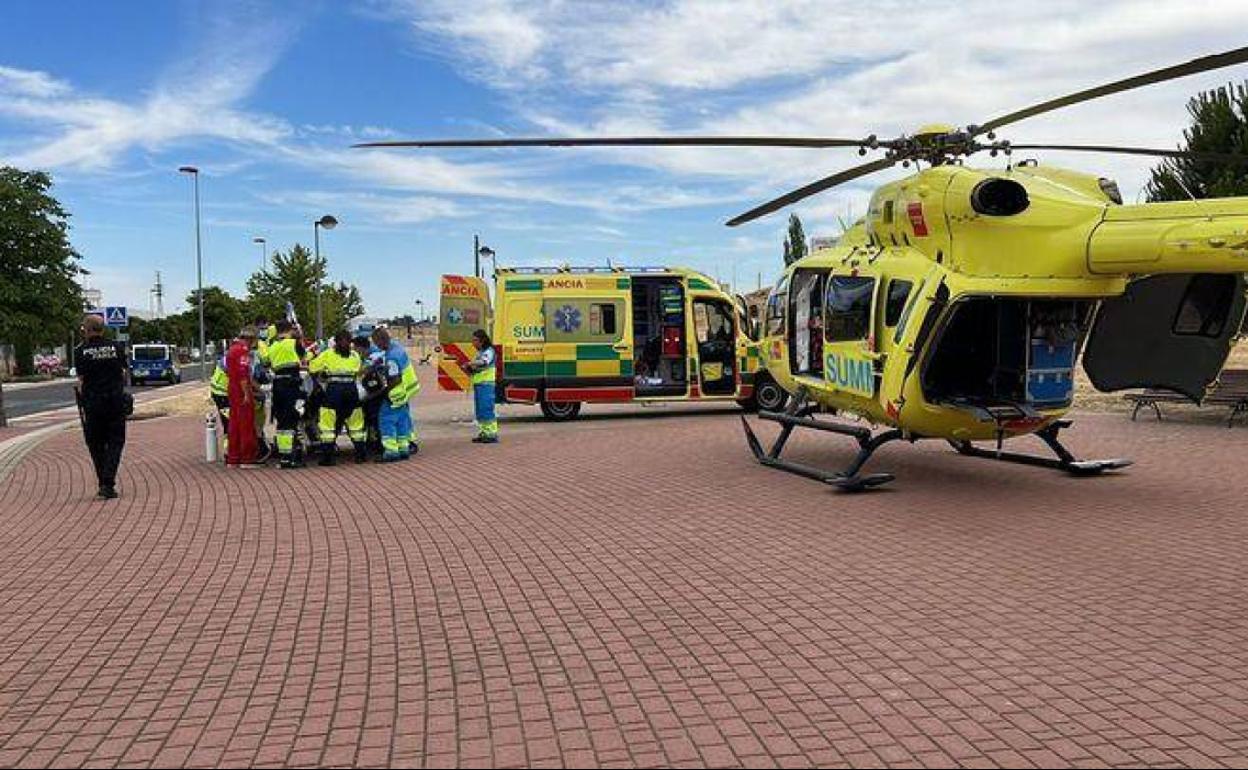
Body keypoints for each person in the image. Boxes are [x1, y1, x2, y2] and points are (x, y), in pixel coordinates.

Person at [74, 314, 129, 499]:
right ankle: (108, 482)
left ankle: (104, 482)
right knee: (116, 442)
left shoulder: (81, 351)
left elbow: (81, 380)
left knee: (96, 444)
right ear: (102, 328)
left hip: (93, 404)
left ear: (87, 330)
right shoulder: (116, 347)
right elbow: (123, 373)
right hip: (115, 401)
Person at [309, 330, 367, 465]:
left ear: (335, 342)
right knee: (356, 424)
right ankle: (360, 455)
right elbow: (358, 371)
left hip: (334, 391)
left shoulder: (328, 354)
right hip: (351, 391)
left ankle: (328, 458)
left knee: (328, 425)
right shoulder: (355, 355)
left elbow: (312, 368)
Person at [371, 326, 420, 462]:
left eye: (376, 343)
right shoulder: (397, 348)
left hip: (396, 394)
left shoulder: (391, 357)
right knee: (402, 421)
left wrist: (383, 391)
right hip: (406, 391)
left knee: (386, 420)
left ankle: (391, 451)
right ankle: (403, 448)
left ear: (381, 341)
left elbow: (395, 378)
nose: (376, 346)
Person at [268, 320, 308, 469]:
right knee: (293, 418)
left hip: (277, 386)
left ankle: (284, 457)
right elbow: (304, 359)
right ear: (290, 329)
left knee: (282, 421)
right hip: (292, 384)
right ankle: (294, 456)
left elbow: (267, 363)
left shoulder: (272, 346)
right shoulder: (294, 343)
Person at [225, 328, 259, 465]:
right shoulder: (242, 351)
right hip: (240, 390)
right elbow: (243, 374)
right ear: (250, 339)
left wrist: (257, 388)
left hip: (232, 388)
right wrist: (246, 393)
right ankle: (247, 458)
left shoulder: (232, 349)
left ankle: (234, 457)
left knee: (234, 424)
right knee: (246, 424)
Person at [464, 328, 499, 444]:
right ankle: (484, 432)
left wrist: (471, 363)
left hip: (486, 385)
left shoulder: (489, 351)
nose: (473, 343)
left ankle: (491, 433)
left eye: (475, 340)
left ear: (482, 341)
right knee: (480, 410)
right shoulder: (479, 353)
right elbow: (477, 368)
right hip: (479, 385)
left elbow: (484, 362)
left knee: (486, 409)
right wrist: (469, 369)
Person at [353, 332, 385, 456]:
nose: (355, 351)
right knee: (370, 418)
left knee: (374, 418)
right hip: (374, 391)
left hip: (376, 393)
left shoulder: (374, 356)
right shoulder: (369, 355)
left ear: (361, 347)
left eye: (356, 348)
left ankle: (377, 444)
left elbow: (367, 371)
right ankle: (372, 441)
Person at [209, 353, 231, 458]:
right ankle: (228, 451)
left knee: (227, 423)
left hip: (218, 393)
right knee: (229, 424)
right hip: (222, 395)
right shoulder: (232, 359)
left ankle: (229, 450)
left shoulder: (228, 356)